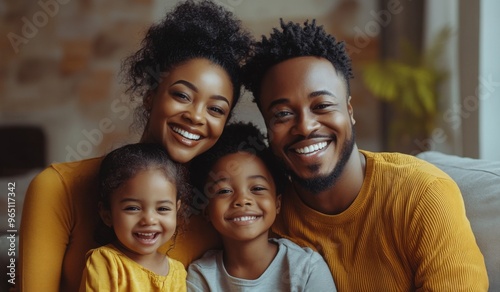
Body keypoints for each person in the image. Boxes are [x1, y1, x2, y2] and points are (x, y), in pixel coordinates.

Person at [19, 1, 252, 291]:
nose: (196, 116)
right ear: (151, 96)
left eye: (216, 110)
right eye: (181, 95)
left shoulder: (214, 213)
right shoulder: (58, 187)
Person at [241, 19, 489, 291]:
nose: (305, 126)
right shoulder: (259, 214)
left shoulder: (422, 195)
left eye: (322, 105)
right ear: (268, 127)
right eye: (283, 114)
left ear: (349, 111)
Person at [186, 122, 336, 291]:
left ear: (277, 203)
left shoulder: (306, 268)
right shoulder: (201, 276)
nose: (242, 200)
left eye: (257, 188)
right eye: (224, 191)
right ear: (206, 210)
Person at [80, 143, 189, 291]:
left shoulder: (178, 272)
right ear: (107, 215)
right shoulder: (106, 261)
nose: (149, 220)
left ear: (176, 210)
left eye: (162, 208)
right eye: (133, 208)